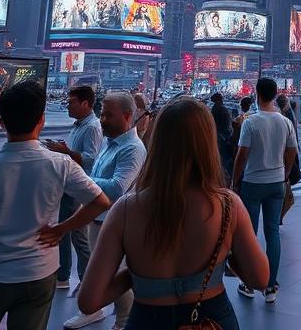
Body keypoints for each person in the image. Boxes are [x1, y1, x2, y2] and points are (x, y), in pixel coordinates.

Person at [78, 97, 269, 330]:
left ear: (158, 143)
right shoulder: (228, 205)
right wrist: (223, 254)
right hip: (210, 319)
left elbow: (89, 301)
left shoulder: (125, 210)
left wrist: (134, 274)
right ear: (207, 144)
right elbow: (260, 279)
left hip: (146, 319)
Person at [0, 82, 110, 330]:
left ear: (1, 122)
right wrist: (61, 229)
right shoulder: (61, 164)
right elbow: (100, 201)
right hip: (39, 273)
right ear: (41, 120)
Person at [64, 92, 147, 330]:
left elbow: (117, 187)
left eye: (108, 115)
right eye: (102, 114)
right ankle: (96, 311)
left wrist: (80, 179)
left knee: (114, 275)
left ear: (128, 116)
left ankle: (123, 322)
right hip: (99, 217)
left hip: (115, 221)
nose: (102, 120)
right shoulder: (109, 141)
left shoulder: (133, 148)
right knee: (98, 270)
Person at [232, 78, 297, 302]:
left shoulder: (251, 122)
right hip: (277, 182)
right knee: (273, 234)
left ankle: (249, 284)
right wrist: (285, 174)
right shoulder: (285, 122)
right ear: (275, 94)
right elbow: (291, 152)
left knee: (250, 235)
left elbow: (242, 155)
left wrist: (235, 180)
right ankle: (270, 287)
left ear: (257, 94)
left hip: (252, 183)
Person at [43, 85, 103, 292]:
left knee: (75, 234)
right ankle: (66, 276)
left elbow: (90, 159)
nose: (67, 105)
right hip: (69, 185)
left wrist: (65, 151)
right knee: (72, 232)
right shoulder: (79, 125)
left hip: (78, 186)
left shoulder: (92, 127)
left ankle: (77, 278)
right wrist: (64, 150)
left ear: (85, 103)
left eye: (71, 102)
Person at [274, 94, 299, 225]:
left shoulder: (279, 118)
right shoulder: (288, 119)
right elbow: (293, 147)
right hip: (284, 162)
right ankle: (279, 216)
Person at [210, 93, 233, 179]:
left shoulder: (215, 109)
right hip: (223, 136)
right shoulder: (223, 109)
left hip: (217, 136)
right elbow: (227, 124)